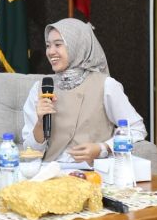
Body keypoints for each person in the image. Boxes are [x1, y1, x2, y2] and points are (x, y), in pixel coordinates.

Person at [22, 18, 147, 164]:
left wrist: (102, 148)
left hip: (93, 173)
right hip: (49, 172)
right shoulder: (40, 88)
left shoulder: (106, 85)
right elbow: (30, 152)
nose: (50, 52)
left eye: (58, 45)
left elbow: (137, 129)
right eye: (48, 45)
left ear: (78, 45)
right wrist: (39, 123)